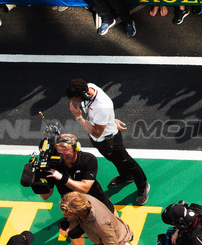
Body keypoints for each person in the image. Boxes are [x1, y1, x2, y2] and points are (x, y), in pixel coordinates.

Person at [64, 78, 150, 206]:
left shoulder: (101, 105)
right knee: (114, 160)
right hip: (98, 139)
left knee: (127, 161)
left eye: (75, 99)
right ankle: (126, 176)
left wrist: (78, 117)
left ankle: (143, 186)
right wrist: (111, 119)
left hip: (110, 140)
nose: (74, 102)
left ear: (83, 95)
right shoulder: (90, 87)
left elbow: (97, 132)